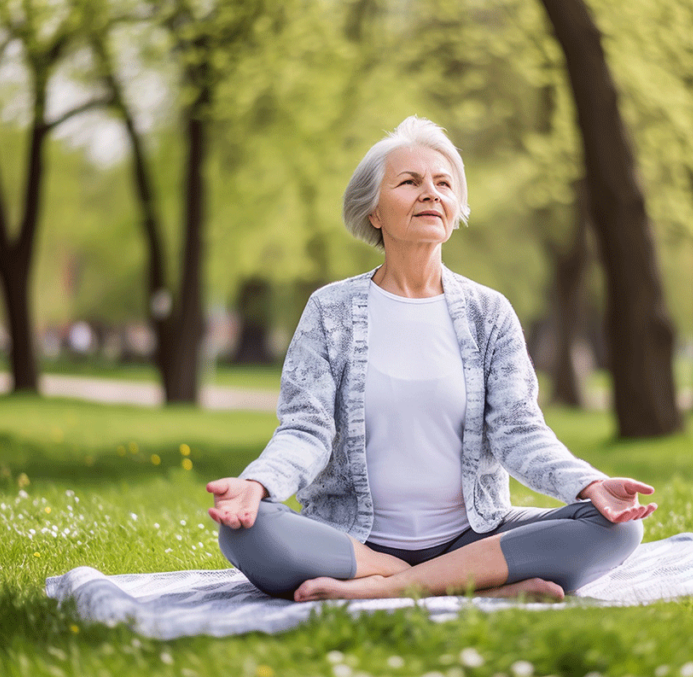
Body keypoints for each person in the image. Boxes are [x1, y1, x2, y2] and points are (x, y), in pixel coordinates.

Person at [206, 117, 657, 603]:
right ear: (374, 211)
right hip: (354, 542)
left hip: (472, 536)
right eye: (409, 182)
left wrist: (589, 484)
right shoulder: (329, 311)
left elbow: (519, 431)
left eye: (443, 184)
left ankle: (387, 589)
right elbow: (305, 429)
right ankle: (469, 583)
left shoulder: (490, 313)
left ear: (455, 206)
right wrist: (258, 483)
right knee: (244, 532)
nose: (431, 193)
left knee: (617, 529)